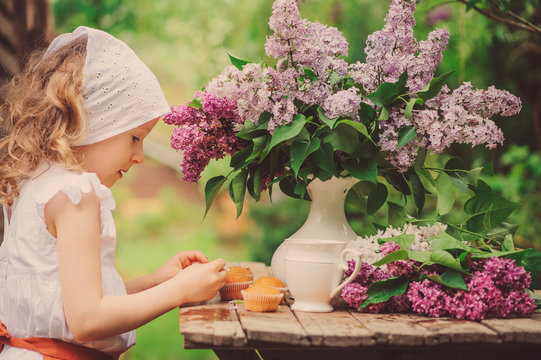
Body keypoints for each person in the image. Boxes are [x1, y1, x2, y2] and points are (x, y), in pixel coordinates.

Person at [0, 26, 227, 360]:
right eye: (134, 137)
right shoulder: (76, 194)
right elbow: (87, 320)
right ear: (91, 121)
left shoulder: (38, 183)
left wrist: (158, 280)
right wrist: (179, 292)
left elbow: (73, 300)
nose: (139, 156)